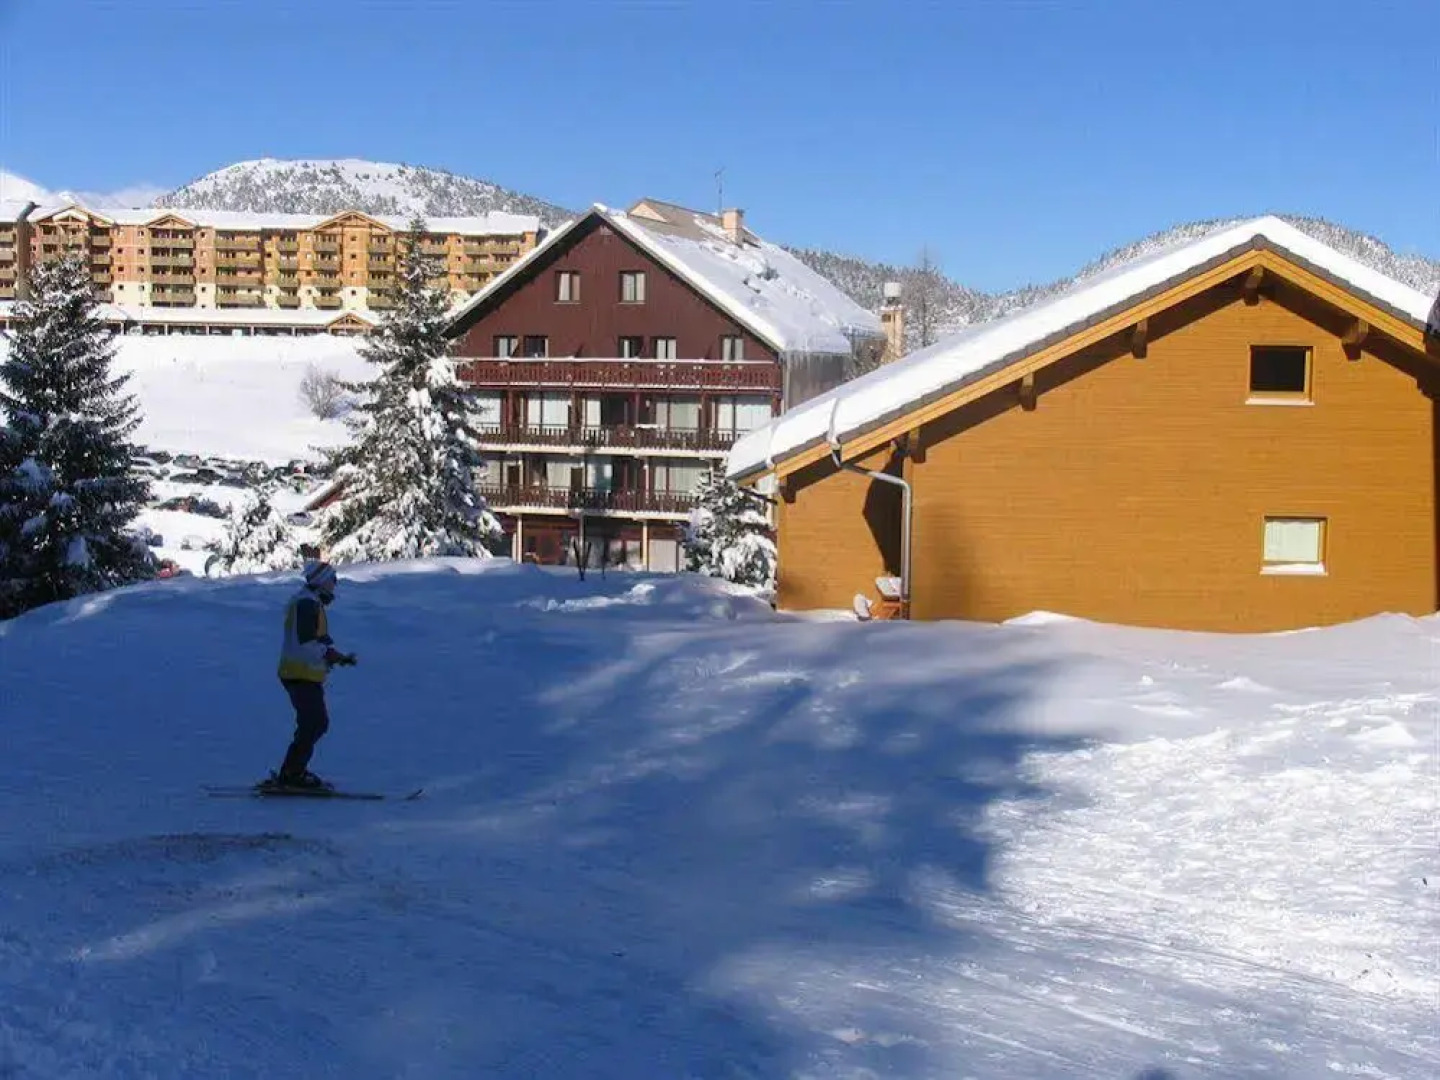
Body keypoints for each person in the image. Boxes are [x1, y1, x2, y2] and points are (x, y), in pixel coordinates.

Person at [268, 560, 356, 790]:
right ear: (321, 581)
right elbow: (305, 643)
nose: (335, 584)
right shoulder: (306, 604)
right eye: (332, 579)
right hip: (299, 673)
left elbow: (312, 640)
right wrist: (330, 655)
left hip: (302, 673)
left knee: (313, 723)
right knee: (314, 723)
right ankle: (291, 774)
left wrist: (334, 655)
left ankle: (292, 772)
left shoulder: (309, 601)